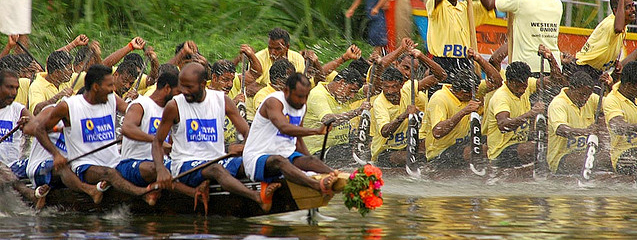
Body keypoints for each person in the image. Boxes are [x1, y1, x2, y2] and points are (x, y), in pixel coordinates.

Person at [151, 63, 280, 212]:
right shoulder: (174, 106)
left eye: (189, 87)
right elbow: (157, 142)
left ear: (203, 84)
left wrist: (248, 149)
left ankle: (272, 186)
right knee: (216, 169)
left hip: (218, 159)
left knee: (255, 162)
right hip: (185, 164)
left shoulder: (221, 100)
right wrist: (161, 170)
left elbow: (247, 132)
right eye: (182, 86)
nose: (184, 92)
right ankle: (257, 197)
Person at [33, 64, 160, 205]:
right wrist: (56, 155)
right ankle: (143, 194)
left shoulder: (112, 98)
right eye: (109, 85)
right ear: (95, 87)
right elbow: (40, 130)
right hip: (85, 166)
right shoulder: (68, 106)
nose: (113, 89)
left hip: (114, 162)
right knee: (110, 174)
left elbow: (132, 113)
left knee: (147, 167)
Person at [242, 73, 340, 196]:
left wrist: (310, 163)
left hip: (287, 157)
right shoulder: (273, 102)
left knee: (311, 160)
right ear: (286, 91)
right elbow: (284, 128)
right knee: (280, 160)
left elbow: (298, 140)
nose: (303, 101)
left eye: (306, 96)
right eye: (299, 96)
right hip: (257, 159)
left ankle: (338, 176)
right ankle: (317, 186)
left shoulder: (301, 107)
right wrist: (316, 131)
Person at [424, 49, 502, 169]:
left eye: (476, 91)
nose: (475, 95)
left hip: (462, 144)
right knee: (477, 149)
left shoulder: (472, 90)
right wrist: (464, 111)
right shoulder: (439, 98)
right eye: (470, 95)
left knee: (493, 141)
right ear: (459, 92)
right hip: (440, 153)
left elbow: (497, 82)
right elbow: (437, 132)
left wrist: (479, 59)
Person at [484, 58, 565, 168]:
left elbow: (555, 80)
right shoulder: (501, 97)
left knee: (549, 142)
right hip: (500, 151)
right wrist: (531, 113)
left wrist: (550, 58)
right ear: (509, 81)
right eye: (519, 85)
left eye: (524, 85)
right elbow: (503, 126)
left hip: (519, 145)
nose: (523, 89)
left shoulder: (527, 84)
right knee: (536, 148)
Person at [370, 50, 447, 166]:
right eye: (386, 87)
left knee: (435, 153)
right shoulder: (379, 103)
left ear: (401, 85)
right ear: (382, 86)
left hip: (408, 145)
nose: (390, 91)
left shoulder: (408, 88)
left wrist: (421, 56)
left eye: (394, 87)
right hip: (385, 150)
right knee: (412, 158)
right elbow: (385, 132)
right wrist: (404, 115)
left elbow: (441, 76)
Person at [117, 70, 180, 188]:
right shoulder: (140, 104)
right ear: (167, 88)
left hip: (161, 164)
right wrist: (157, 141)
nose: (180, 97)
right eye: (178, 92)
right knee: (155, 168)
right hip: (132, 163)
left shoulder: (172, 110)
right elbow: (127, 129)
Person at [547, 71, 611, 174]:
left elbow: (612, 105)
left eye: (588, 95)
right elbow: (561, 130)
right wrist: (585, 131)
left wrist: (609, 85)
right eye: (582, 95)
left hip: (587, 152)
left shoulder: (590, 98)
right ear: (571, 88)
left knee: (610, 157)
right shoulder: (558, 104)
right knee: (598, 160)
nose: (585, 99)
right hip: (561, 157)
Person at [304, 68, 370, 164]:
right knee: (352, 155)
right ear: (342, 82)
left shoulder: (343, 94)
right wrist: (357, 111)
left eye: (355, 92)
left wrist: (379, 65)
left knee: (367, 148)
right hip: (317, 152)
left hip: (339, 147)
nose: (352, 96)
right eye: (351, 91)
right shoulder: (317, 95)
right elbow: (329, 121)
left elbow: (373, 89)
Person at [247, 28, 306, 121]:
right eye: (270, 48)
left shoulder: (297, 59)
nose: (273, 52)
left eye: (278, 49)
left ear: (287, 47)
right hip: (254, 116)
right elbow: (250, 89)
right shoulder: (258, 58)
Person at [426, 0, 495, 77]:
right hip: (442, 62)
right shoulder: (437, 5)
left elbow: (489, 6)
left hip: (464, 62)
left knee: (465, 88)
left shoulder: (467, 8)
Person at [495, 0, 563, 74]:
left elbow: (499, 4)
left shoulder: (521, 2)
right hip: (553, 66)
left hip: (526, 66)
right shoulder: (557, 3)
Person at [576, 0, 635, 79]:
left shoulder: (622, 25)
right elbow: (618, 28)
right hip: (583, 68)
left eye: (633, 5)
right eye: (628, 7)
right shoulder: (611, 24)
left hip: (596, 70)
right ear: (615, 11)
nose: (633, 9)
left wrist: (614, 63)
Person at [603, 61, 637, 175]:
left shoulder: (634, 95)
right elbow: (618, 126)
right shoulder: (611, 100)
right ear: (628, 85)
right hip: (623, 155)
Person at [29, 51, 74, 115]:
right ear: (56, 73)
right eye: (69, 69)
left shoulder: (67, 79)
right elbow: (36, 111)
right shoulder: (37, 86)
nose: (72, 72)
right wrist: (58, 96)